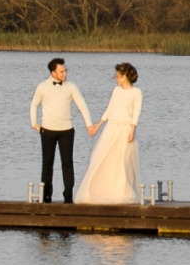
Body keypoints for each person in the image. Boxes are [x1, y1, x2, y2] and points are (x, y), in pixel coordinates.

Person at [76, 62, 143, 204]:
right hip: (111, 127)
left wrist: (132, 130)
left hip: (125, 128)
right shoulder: (116, 91)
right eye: (116, 76)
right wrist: (98, 125)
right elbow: (109, 109)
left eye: (119, 76)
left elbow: (136, 113)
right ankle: (99, 191)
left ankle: (121, 192)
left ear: (126, 76)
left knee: (121, 161)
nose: (116, 79)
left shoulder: (136, 93)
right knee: (101, 158)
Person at [29, 58, 92, 203]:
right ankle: (46, 196)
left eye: (65, 70)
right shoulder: (42, 87)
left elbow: (82, 105)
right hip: (48, 130)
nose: (65, 73)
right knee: (47, 164)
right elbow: (34, 105)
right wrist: (34, 123)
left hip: (66, 131)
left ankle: (68, 196)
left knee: (67, 163)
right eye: (61, 71)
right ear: (53, 72)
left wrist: (88, 124)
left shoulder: (71, 86)